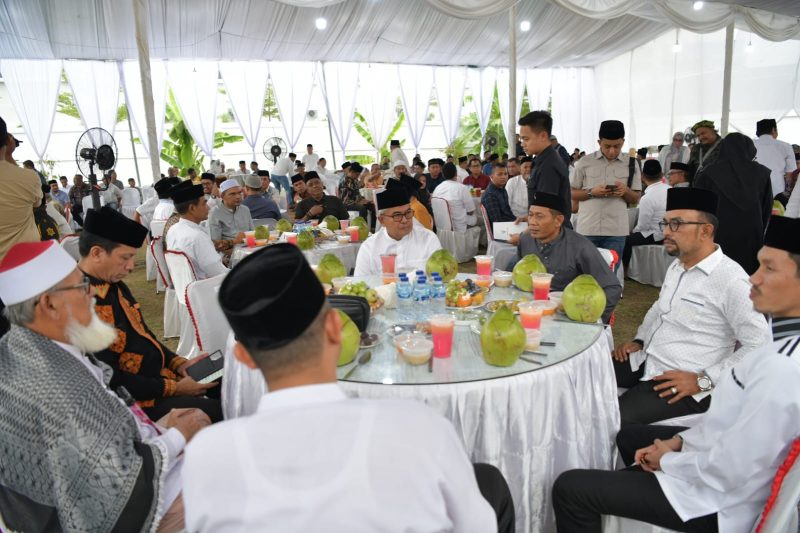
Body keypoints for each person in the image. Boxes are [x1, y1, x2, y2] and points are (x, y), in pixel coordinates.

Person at [184, 244, 515, 532]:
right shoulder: (422, 430)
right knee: (489, 483)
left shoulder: (206, 455)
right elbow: (478, 526)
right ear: (334, 329)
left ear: (243, 357)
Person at [552, 215, 800, 533]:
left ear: (706, 230)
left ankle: (607, 489)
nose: (753, 278)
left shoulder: (782, 365)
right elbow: (726, 424)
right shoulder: (780, 344)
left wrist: (669, 458)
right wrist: (679, 442)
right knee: (621, 427)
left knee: (571, 488)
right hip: (701, 447)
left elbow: (732, 469)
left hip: (716, 502)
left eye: (769, 268)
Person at [0, 240, 210, 532]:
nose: (91, 294)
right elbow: (118, 483)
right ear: (49, 304)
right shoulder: (60, 385)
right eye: (81, 287)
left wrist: (159, 429)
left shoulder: (23, 347)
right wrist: (176, 436)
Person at [611, 187, 770, 425]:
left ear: (706, 231)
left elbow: (759, 345)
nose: (666, 231)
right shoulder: (678, 264)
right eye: (665, 223)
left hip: (682, 379)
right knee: (587, 378)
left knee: (612, 418)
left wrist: (704, 380)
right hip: (648, 358)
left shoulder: (731, 280)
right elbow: (659, 307)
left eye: (676, 224)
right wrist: (640, 339)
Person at [79, 207, 222, 423]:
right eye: (125, 258)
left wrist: (179, 363)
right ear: (97, 253)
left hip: (160, 376)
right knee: (220, 410)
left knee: (227, 376)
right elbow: (110, 378)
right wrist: (175, 388)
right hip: (137, 401)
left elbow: (144, 334)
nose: (129, 267)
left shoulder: (113, 283)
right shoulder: (79, 301)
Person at [516, 192, 621, 323]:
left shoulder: (580, 247)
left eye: (539, 216)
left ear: (558, 221)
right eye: (530, 215)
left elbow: (612, 288)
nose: (532, 222)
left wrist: (589, 320)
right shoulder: (526, 240)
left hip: (567, 316)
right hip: (532, 310)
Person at [692, 132, 773, 275]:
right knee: (747, 274)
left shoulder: (709, 173)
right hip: (751, 233)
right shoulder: (761, 173)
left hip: (719, 231)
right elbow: (767, 206)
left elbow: (698, 206)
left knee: (718, 271)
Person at [571, 119, 642, 267]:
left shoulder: (631, 163)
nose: (612, 151)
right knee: (584, 271)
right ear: (599, 142)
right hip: (588, 228)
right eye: (607, 146)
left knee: (610, 273)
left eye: (617, 146)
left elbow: (636, 197)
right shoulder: (585, 161)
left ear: (623, 141)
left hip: (616, 230)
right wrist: (592, 192)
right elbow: (571, 193)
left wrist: (625, 191)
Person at [355, 187, 441, 276]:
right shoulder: (369, 248)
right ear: (382, 220)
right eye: (397, 215)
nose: (404, 220)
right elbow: (361, 282)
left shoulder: (429, 239)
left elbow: (441, 278)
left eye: (408, 213)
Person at [518, 111, 572, 226]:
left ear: (543, 136)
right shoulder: (543, 159)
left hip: (551, 234)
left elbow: (545, 211)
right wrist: (530, 217)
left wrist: (524, 236)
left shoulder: (548, 165)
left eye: (526, 139)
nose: (522, 144)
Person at [166, 180, 228, 279]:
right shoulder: (197, 237)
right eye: (204, 203)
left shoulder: (173, 230)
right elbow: (219, 273)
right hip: (206, 290)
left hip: (186, 290)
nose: (208, 207)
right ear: (192, 208)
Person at [0, 121, 41, 261]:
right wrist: (8, 155)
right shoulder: (29, 177)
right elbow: (36, 203)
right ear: (7, 140)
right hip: (23, 264)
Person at [623, 160, 669, 269]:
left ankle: (626, 269)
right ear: (662, 174)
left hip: (657, 235)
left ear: (642, 177)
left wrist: (632, 232)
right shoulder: (670, 189)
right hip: (670, 230)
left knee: (624, 240)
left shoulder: (647, 198)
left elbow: (643, 226)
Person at [208, 179, 254, 259]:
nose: (238, 197)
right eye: (232, 194)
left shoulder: (245, 209)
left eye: (239, 193)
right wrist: (239, 253)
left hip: (248, 251)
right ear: (222, 196)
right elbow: (216, 245)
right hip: (228, 255)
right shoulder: (215, 213)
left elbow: (252, 234)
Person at [482, 162, 526, 244]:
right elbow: (497, 222)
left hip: (509, 225)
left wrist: (519, 220)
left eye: (505, 174)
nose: (504, 177)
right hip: (501, 231)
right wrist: (516, 225)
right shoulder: (490, 195)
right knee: (531, 235)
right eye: (499, 174)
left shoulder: (502, 189)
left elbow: (508, 212)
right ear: (491, 176)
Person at [753, 118, 795, 201]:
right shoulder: (786, 146)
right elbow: (790, 174)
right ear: (773, 129)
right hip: (777, 191)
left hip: (753, 190)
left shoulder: (750, 144)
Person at [432, 162, 477, 231]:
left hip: (442, 227)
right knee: (480, 220)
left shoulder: (437, 188)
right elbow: (470, 211)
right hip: (460, 226)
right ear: (456, 173)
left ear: (443, 175)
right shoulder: (461, 188)